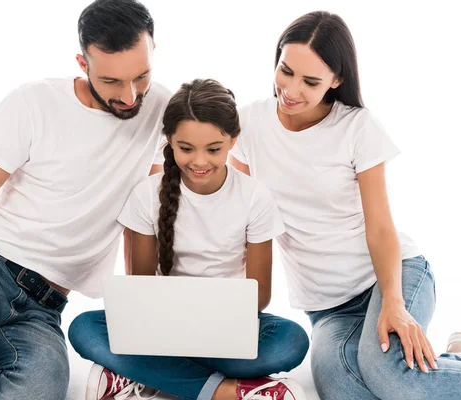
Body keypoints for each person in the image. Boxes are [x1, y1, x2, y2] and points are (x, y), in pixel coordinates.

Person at [0, 1, 170, 399]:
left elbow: (146, 214)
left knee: (36, 392)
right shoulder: (34, 103)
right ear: (83, 63)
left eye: (141, 77)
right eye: (112, 81)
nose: (130, 96)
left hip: (44, 307)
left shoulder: (163, 110)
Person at [229, 11, 461, 400]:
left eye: (310, 81)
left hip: (391, 277)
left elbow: (381, 227)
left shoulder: (357, 128)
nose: (290, 88)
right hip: (328, 310)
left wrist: (394, 301)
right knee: (344, 391)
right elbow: (244, 219)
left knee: (393, 378)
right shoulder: (249, 124)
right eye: (285, 70)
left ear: (336, 80)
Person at [68, 79, 309, 400]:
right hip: (160, 328)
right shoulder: (146, 196)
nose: (199, 161)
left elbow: (261, 294)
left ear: (233, 141)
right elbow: (138, 286)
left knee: (290, 341)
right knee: (84, 328)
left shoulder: (255, 197)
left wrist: (212, 319)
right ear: (169, 142)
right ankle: (224, 391)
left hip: (228, 329)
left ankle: (142, 375)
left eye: (213, 149)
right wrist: (174, 321)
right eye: (185, 148)